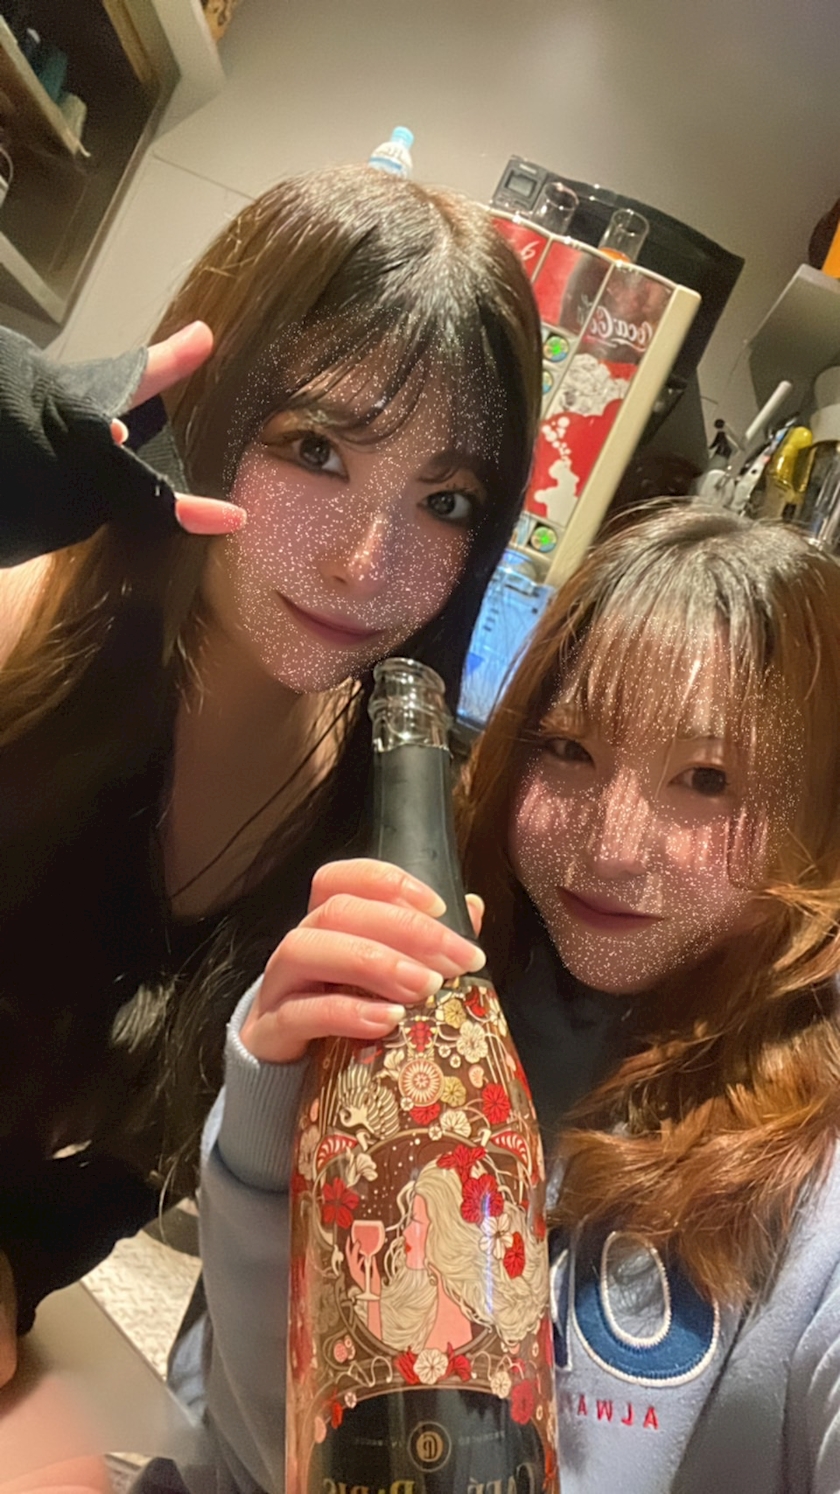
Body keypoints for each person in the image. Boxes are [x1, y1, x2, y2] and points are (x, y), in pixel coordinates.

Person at [0, 161, 542, 1376]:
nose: (366, 560)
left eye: (448, 500)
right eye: (316, 448)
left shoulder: (378, 839)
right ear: (210, 409)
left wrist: (18, 1264)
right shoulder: (18, 637)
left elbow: (144, 1164)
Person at [178, 505, 840, 1494]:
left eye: (707, 778)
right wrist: (273, 1124)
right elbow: (248, 1445)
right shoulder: (408, 1021)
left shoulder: (820, 1167)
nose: (614, 848)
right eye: (569, 749)